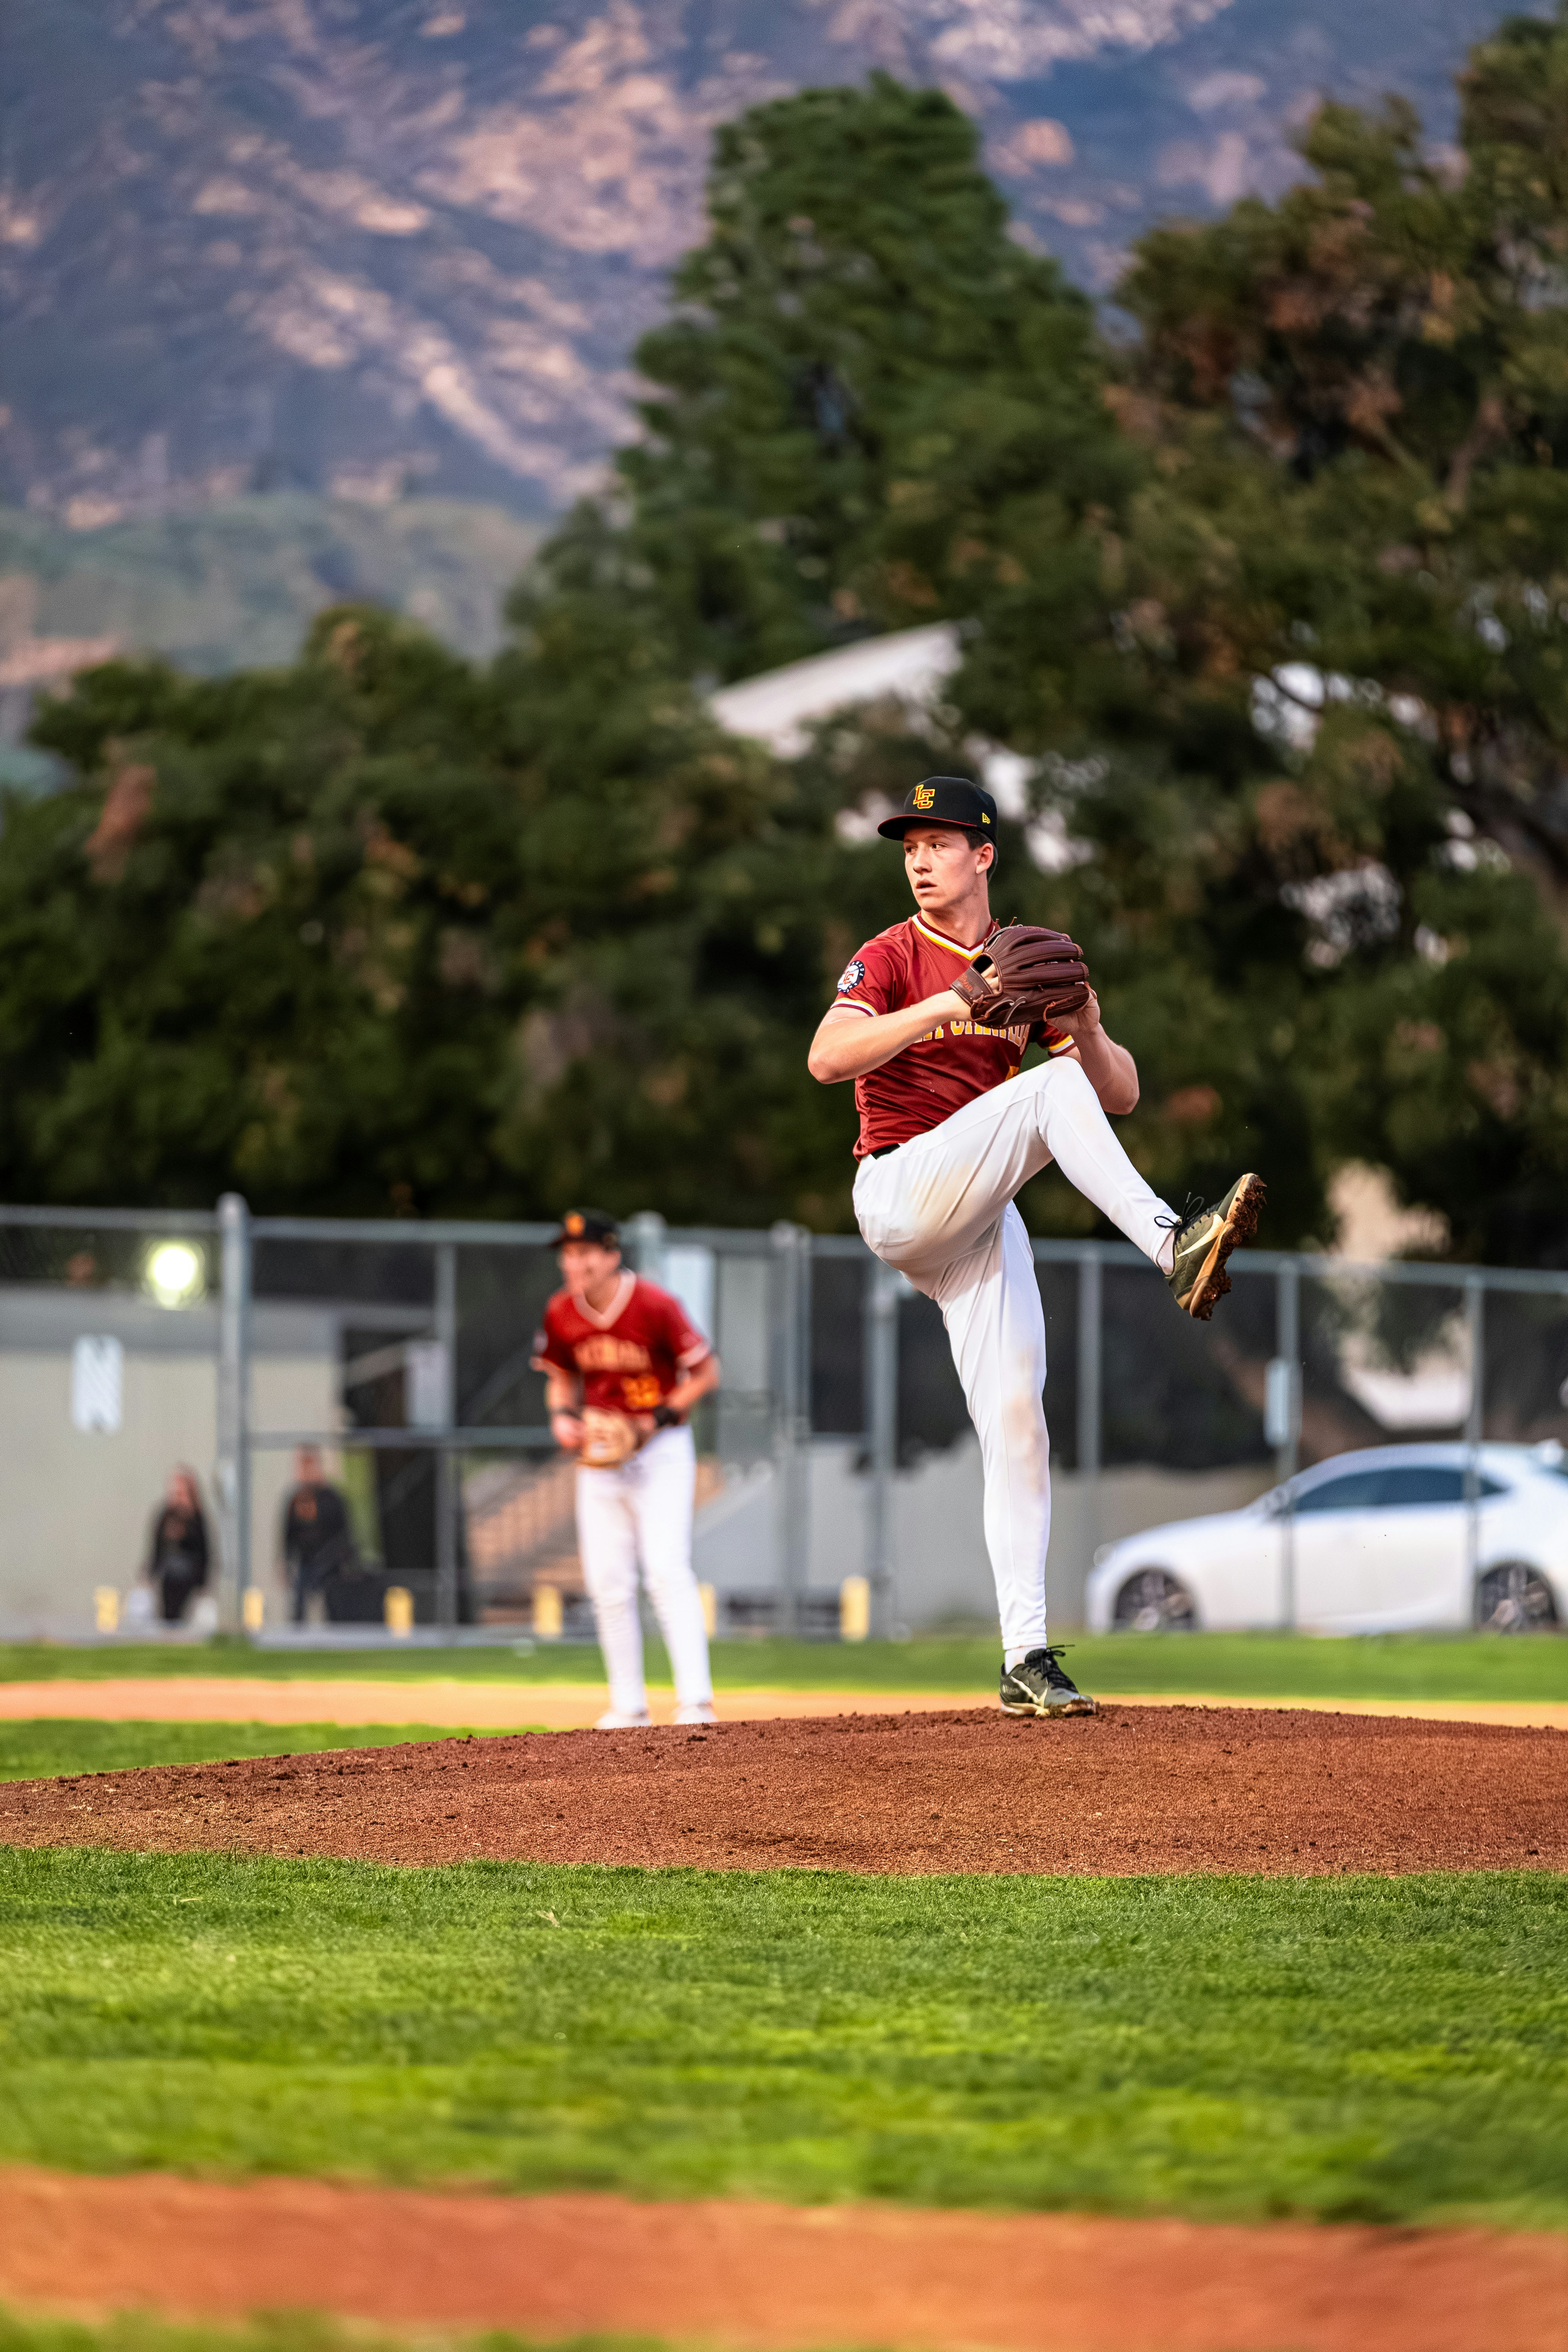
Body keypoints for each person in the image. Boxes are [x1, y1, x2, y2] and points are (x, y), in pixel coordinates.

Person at [807, 775, 1264, 1720]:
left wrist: (1088, 1024)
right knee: (1049, 1099)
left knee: (1017, 1418)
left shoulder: (1023, 961)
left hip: (974, 1214)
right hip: (897, 1186)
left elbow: (1122, 1093)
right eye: (908, 847)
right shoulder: (891, 954)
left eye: (937, 842)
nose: (920, 859)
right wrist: (950, 1006)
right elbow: (826, 1058)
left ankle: (1024, 1660)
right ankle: (1171, 1246)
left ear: (983, 854)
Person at [532, 1210, 722, 1728]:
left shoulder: (654, 1305)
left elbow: (706, 1372)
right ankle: (628, 1706)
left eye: (587, 1253)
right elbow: (560, 1380)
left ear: (613, 1255)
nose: (576, 1263)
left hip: (659, 1450)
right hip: (599, 1456)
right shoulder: (561, 1313)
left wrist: (654, 1419)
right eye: (569, 1254)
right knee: (608, 1583)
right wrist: (561, 1419)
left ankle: (696, 1703)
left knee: (665, 1570)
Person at [280, 1447, 356, 1624]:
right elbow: (289, 1533)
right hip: (306, 1561)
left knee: (334, 1607)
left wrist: (341, 1559)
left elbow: (342, 1531)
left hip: (330, 1563)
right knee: (299, 1606)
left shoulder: (331, 1498)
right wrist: (285, 1561)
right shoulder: (296, 1498)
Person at [143, 1467, 210, 1624]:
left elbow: (204, 1550)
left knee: (186, 1618)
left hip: (189, 1575)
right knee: (167, 1616)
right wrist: (151, 1570)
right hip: (168, 1574)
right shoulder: (166, 1513)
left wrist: (204, 1580)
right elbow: (157, 1545)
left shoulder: (196, 1517)